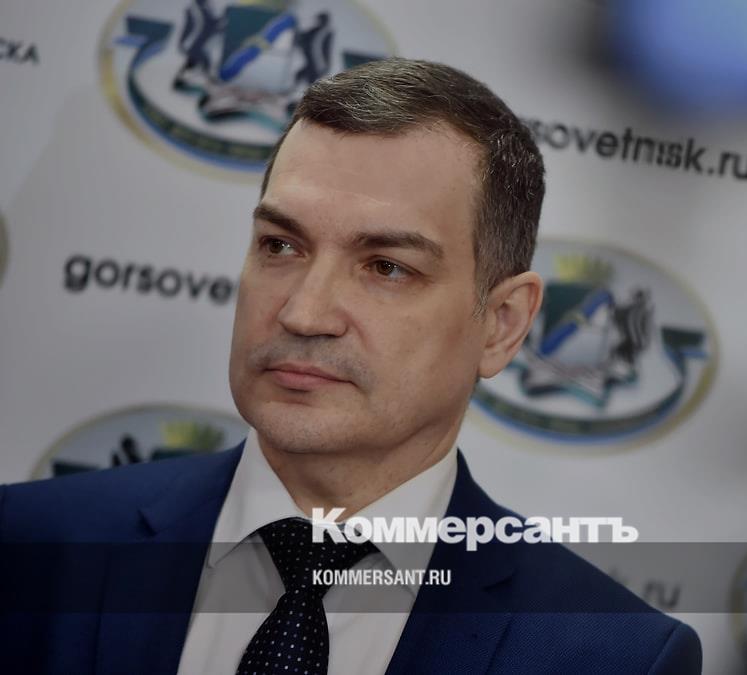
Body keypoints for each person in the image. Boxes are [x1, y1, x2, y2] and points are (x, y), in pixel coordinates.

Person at [0, 58, 702, 675]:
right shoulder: (27, 549)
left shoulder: (611, 655)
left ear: (502, 323)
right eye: (281, 245)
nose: (304, 313)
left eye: (386, 267)